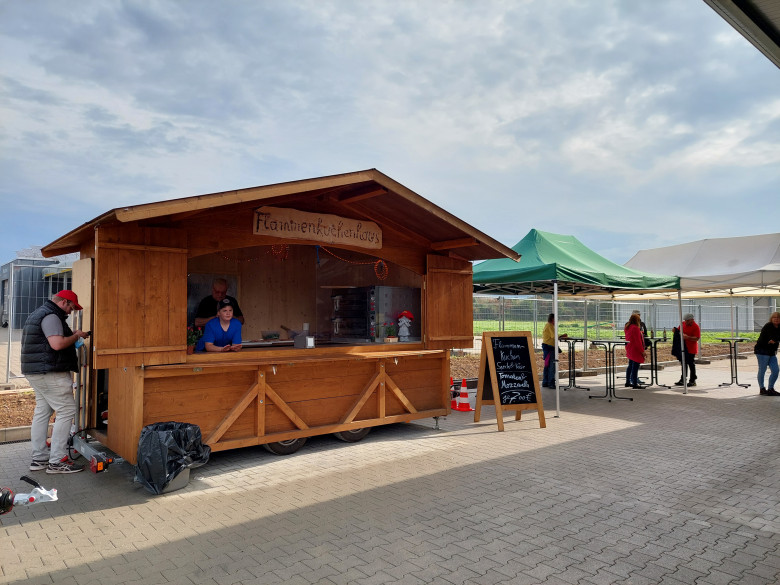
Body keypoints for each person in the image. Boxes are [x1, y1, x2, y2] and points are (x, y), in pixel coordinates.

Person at [21, 290, 89, 474]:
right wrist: (76, 336)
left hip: (37, 371)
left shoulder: (39, 313)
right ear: (64, 302)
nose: (70, 312)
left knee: (42, 412)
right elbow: (57, 344)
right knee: (66, 410)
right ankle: (57, 461)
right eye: (71, 307)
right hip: (50, 372)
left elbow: (49, 341)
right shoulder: (52, 316)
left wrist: (72, 334)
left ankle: (39, 459)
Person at [754, 311, 780, 396]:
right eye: (774, 317)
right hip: (762, 350)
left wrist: (775, 339)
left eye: (778, 317)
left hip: (772, 352)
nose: (776, 319)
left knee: (776, 370)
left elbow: (775, 339)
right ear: (771, 319)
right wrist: (775, 339)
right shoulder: (768, 326)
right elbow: (772, 339)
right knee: (762, 369)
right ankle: (762, 388)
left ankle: (770, 389)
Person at [541, 313, 567, 388]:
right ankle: (551, 383)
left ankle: (545, 382)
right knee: (552, 366)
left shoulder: (548, 325)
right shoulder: (550, 326)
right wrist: (562, 336)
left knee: (547, 365)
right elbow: (554, 336)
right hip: (549, 348)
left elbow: (553, 336)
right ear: (552, 319)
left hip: (547, 347)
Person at [675, 313, 700, 387]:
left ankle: (692, 380)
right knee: (683, 363)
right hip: (683, 347)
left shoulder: (695, 327)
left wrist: (688, 337)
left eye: (687, 321)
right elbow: (678, 331)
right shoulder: (683, 324)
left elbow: (697, 338)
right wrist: (675, 331)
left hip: (691, 348)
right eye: (685, 320)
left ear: (692, 320)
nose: (685, 322)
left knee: (691, 363)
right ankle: (683, 379)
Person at [624, 313, 646, 389]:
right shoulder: (635, 328)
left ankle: (627, 382)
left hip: (629, 347)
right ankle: (635, 383)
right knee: (635, 367)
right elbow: (638, 341)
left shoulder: (627, 327)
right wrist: (642, 351)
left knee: (630, 365)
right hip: (635, 349)